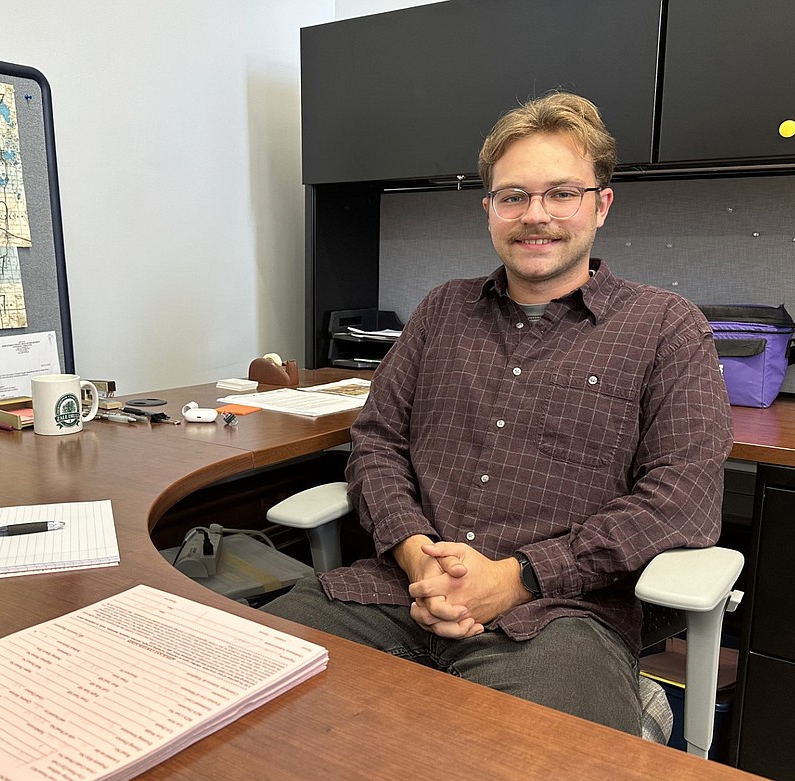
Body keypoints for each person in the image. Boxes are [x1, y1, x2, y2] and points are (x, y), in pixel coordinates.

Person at [264, 92, 733, 735]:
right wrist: (414, 554)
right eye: (513, 196)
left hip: (556, 622)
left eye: (561, 193)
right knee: (232, 686)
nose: (535, 216)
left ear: (601, 203)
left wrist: (518, 578)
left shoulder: (665, 328)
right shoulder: (440, 312)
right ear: (489, 209)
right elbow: (376, 444)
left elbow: (683, 500)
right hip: (397, 595)